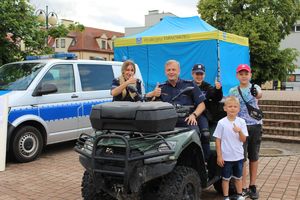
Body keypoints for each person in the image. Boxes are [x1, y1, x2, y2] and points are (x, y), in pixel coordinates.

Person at [229, 64, 263, 199]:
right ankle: (242, 188)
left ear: (250, 75)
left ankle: (252, 186)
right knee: (241, 158)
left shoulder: (255, 87)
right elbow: (229, 106)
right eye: (241, 73)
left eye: (246, 73)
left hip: (255, 125)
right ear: (237, 76)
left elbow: (260, 94)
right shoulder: (233, 91)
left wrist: (257, 93)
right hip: (239, 128)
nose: (244, 76)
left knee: (253, 156)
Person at [147, 59, 206, 129]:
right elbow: (148, 103)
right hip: (167, 121)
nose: (171, 72)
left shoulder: (190, 85)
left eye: (173, 70)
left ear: (179, 71)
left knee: (196, 132)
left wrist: (193, 115)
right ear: (165, 72)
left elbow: (202, 105)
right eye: (168, 70)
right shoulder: (160, 88)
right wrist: (153, 94)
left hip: (186, 120)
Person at [213, 96, 248, 200]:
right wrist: (219, 156)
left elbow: (243, 139)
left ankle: (239, 195)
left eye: (235, 106)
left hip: (238, 156)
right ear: (225, 108)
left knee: (238, 178)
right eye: (230, 106)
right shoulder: (221, 123)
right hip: (226, 157)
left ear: (238, 109)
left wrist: (239, 131)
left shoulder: (241, 122)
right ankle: (226, 197)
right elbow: (217, 139)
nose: (232, 108)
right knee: (225, 179)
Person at [192, 63, 223, 160]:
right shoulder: (188, 85)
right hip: (189, 115)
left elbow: (217, 97)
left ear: (204, 75)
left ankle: (205, 159)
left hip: (203, 115)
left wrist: (218, 89)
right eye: (197, 74)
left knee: (205, 135)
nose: (199, 76)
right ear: (193, 74)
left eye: (201, 74)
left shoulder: (208, 87)